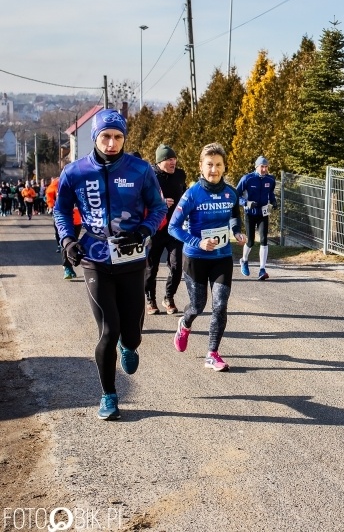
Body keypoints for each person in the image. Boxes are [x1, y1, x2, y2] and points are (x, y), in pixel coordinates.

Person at [53, 108, 167, 420]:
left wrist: (144, 230)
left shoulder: (140, 169)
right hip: (94, 258)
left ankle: (129, 346)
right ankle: (109, 395)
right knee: (108, 329)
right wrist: (68, 240)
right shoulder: (75, 172)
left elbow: (158, 209)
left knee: (131, 334)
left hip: (131, 259)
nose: (111, 143)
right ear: (95, 137)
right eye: (105, 136)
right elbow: (61, 210)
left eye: (118, 137)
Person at [169, 143, 245, 372]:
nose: (214, 169)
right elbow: (174, 228)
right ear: (201, 166)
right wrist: (198, 242)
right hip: (196, 258)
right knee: (197, 305)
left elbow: (234, 215)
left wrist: (236, 231)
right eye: (209, 165)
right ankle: (185, 322)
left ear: (224, 167)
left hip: (222, 257)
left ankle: (212, 353)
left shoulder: (230, 192)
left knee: (220, 305)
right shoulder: (192, 194)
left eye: (218, 165)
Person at [144, 144, 188, 315]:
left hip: (174, 228)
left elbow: (184, 194)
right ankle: (150, 300)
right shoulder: (151, 176)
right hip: (155, 227)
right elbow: (141, 200)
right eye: (169, 159)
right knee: (151, 267)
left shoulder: (180, 175)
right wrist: (160, 204)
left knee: (177, 265)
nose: (173, 162)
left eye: (174, 159)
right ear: (160, 161)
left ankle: (169, 297)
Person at [235, 156, 277, 280]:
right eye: (262, 167)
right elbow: (236, 196)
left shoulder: (270, 179)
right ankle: (244, 260)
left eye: (266, 167)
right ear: (256, 167)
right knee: (251, 241)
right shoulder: (247, 179)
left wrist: (274, 202)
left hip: (263, 213)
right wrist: (246, 203)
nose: (264, 169)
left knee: (264, 239)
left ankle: (262, 269)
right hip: (250, 213)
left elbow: (270, 193)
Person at [46, 176, 82, 279]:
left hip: (78, 219)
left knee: (74, 242)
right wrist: (51, 206)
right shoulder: (58, 183)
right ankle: (67, 268)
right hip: (64, 219)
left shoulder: (82, 181)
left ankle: (69, 266)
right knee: (67, 242)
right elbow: (49, 194)